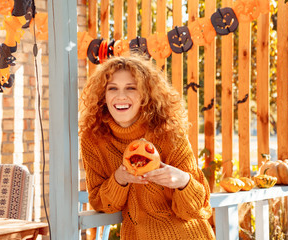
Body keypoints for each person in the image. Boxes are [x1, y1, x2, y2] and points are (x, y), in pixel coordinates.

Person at [79, 55, 215, 239]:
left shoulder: (169, 133)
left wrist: (182, 181)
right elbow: (101, 203)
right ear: (103, 95)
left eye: (131, 88)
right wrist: (119, 179)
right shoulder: (93, 139)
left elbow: (198, 208)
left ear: (145, 94)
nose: (121, 96)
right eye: (113, 88)